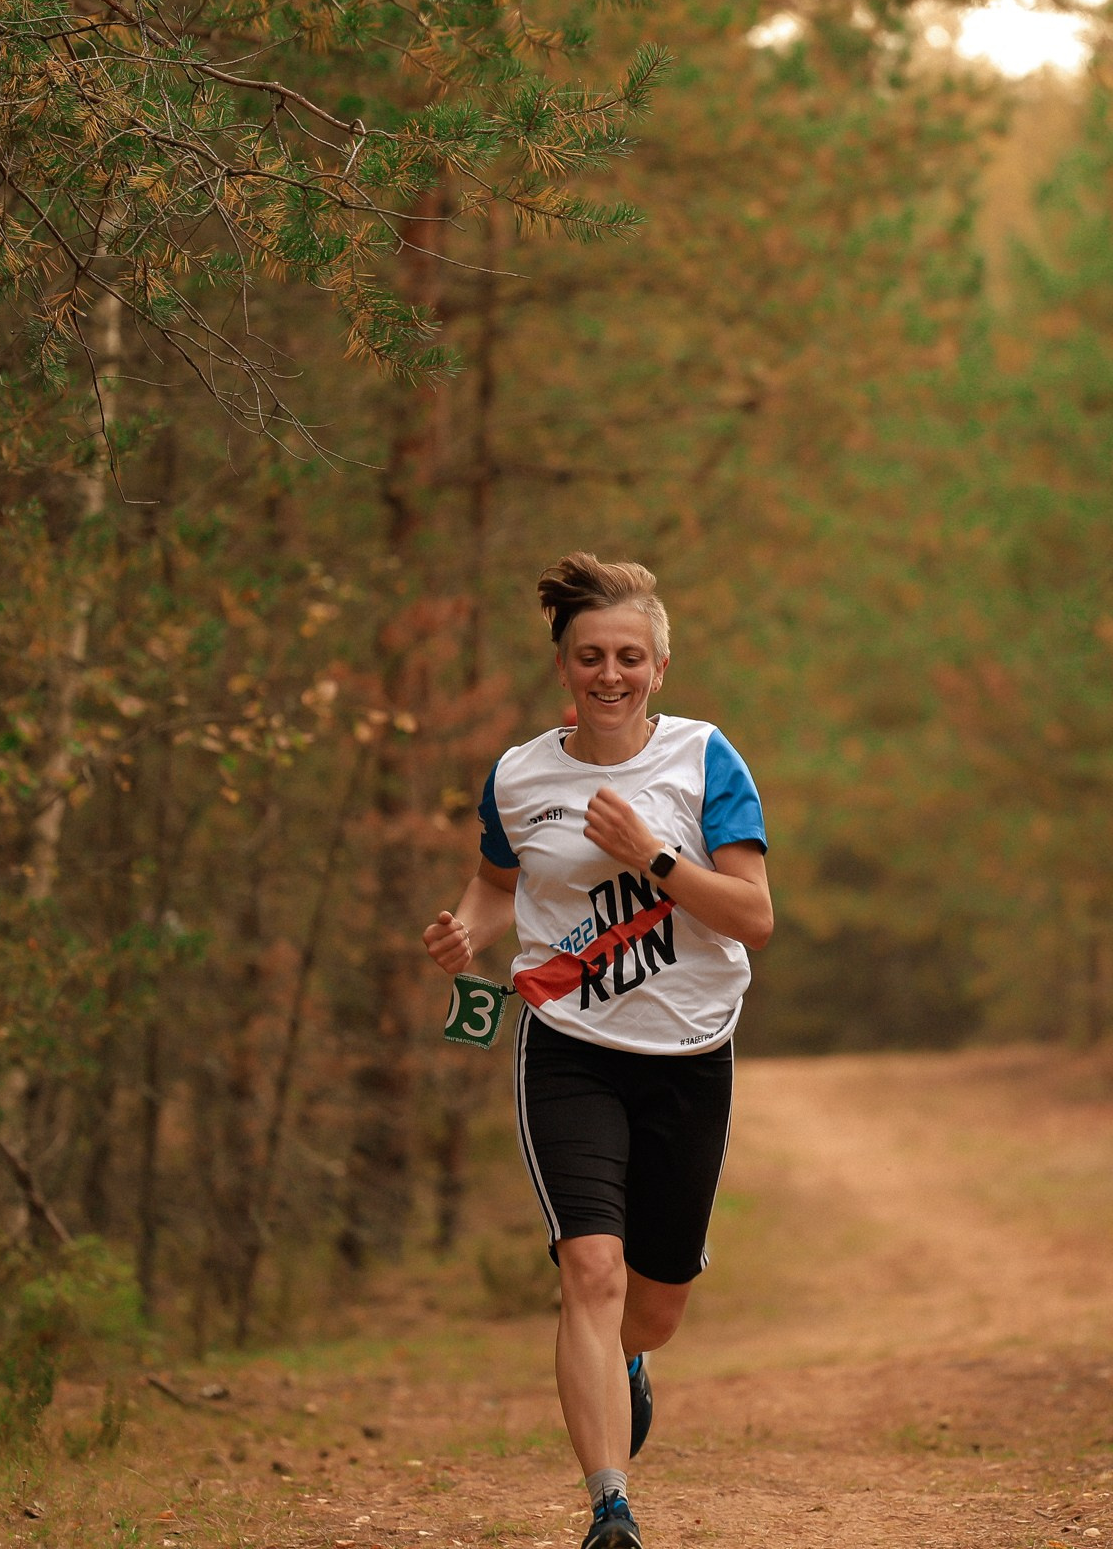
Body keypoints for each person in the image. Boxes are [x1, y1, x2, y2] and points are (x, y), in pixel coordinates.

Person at [422, 553, 774, 1549]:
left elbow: (753, 916)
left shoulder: (705, 760)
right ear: (563, 667)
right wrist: (467, 931)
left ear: (659, 666)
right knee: (590, 1267)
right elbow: (496, 883)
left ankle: (627, 1365)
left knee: (653, 1308)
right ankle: (609, 1508)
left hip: (690, 1048)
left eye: (628, 656)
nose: (608, 674)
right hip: (568, 1046)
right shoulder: (520, 775)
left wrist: (651, 858)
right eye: (590, 657)